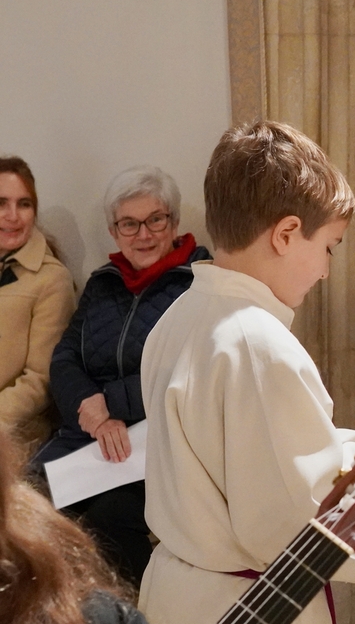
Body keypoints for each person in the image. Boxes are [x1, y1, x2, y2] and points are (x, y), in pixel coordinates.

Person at [138, 121, 355, 624]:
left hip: (178, 590)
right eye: (329, 246)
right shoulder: (260, 345)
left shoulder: (176, 317)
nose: (325, 270)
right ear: (285, 234)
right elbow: (290, 523)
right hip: (251, 603)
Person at [32, 166, 211, 588]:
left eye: (155, 220)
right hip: (89, 441)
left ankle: (139, 611)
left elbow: (190, 370)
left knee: (109, 520)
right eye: (129, 224)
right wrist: (92, 411)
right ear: (114, 232)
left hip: (160, 448)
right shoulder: (102, 285)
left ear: (174, 223)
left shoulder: (200, 284)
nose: (143, 234)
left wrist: (111, 402)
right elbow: (65, 359)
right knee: (25, 503)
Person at [0, 427, 147, 624]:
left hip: (139, 452)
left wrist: (112, 413)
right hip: (75, 449)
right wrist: (93, 413)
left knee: (110, 512)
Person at [0, 156, 75, 458]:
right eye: (2, 203)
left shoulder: (52, 279)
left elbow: (40, 381)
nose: (12, 216)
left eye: (24, 204)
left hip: (15, 434)